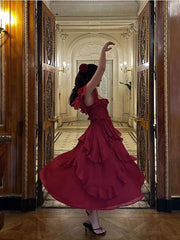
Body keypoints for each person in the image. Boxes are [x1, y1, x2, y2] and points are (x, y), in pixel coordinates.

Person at [40, 41, 145, 236]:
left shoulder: (89, 92)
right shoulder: (88, 91)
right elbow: (102, 69)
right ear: (90, 78)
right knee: (96, 175)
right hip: (98, 135)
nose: (100, 79)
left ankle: (92, 216)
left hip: (103, 133)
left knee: (103, 174)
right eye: (96, 77)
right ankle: (94, 220)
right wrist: (103, 52)